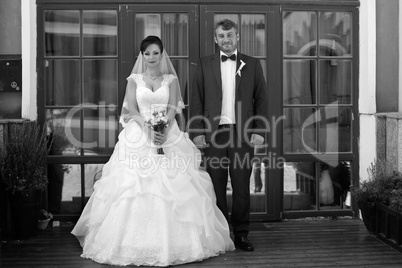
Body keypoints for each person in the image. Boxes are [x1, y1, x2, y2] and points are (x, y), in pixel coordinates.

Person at [71, 35, 235, 267]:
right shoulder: (134, 79)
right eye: (147, 53)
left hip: (169, 134)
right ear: (142, 55)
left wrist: (165, 127)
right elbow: (131, 109)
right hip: (139, 133)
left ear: (161, 53)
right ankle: (130, 244)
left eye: (155, 52)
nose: (151, 57)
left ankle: (180, 243)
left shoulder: (171, 79)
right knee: (133, 188)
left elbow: (173, 107)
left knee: (178, 184)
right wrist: (148, 129)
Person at [190, 19, 269, 251]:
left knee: (242, 186)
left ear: (237, 37)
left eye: (230, 36)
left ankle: (241, 234)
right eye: (222, 36)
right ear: (216, 39)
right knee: (216, 185)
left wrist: (260, 131)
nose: (226, 40)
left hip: (242, 134)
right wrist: (196, 132)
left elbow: (262, 100)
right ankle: (220, 235)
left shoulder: (252, 64)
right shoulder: (204, 64)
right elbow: (196, 100)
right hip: (214, 134)